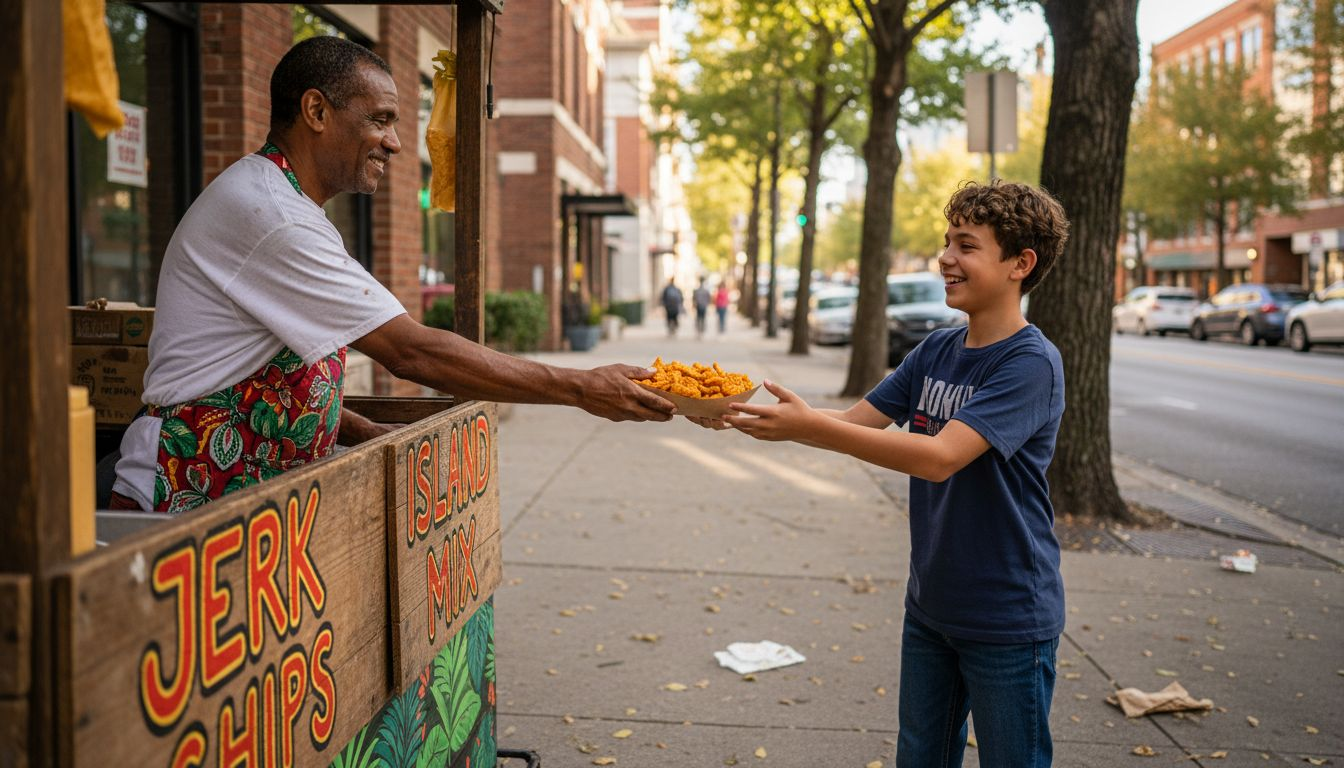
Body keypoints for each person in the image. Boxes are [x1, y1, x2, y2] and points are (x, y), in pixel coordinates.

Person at [108, 37, 673, 513]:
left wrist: (355, 428)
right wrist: (579, 386)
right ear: (316, 111)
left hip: (239, 496)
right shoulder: (273, 216)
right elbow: (412, 352)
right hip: (181, 491)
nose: (397, 143)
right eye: (380, 120)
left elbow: (265, 371)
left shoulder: (283, 203)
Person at [723, 180, 1069, 768]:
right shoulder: (935, 350)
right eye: (946, 242)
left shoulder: (1030, 364)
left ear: (1020, 263)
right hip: (932, 605)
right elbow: (857, 423)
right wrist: (742, 415)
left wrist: (807, 427)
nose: (946, 258)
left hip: (1009, 614)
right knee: (920, 757)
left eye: (966, 245)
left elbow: (938, 459)